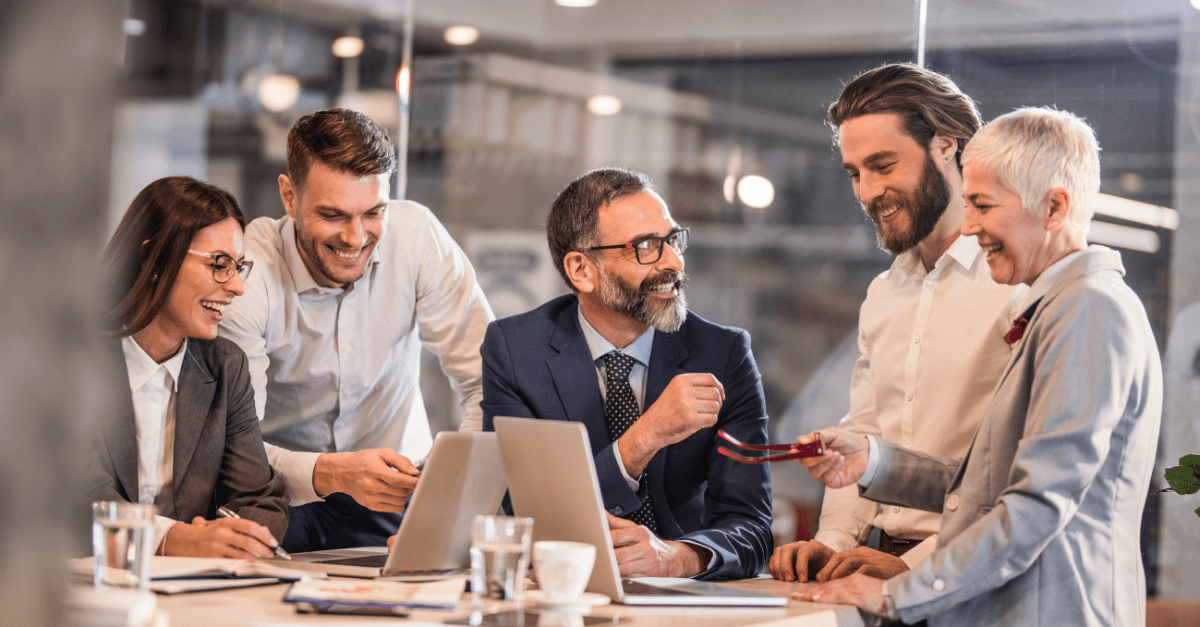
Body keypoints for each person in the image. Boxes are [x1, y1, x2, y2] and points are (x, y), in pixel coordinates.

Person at [791, 108, 1162, 626]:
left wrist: (895, 592)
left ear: (1054, 208)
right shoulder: (1057, 306)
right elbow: (987, 487)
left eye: (983, 206)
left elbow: (1036, 504)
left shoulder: (1091, 311)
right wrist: (875, 463)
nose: (969, 227)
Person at [770, 63, 1023, 583]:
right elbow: (864, 432)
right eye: (855, 172)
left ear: (946, 145)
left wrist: (911, 565)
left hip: (968, 572)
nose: (865, 192)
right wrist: (831, 541)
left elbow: (1023, 478)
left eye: (883, 165)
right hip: (869, 564)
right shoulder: (884, 293)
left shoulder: (1015, 286)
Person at [218, 109, 494, 552]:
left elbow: (487, 382)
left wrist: (449, 495)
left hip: (403, 499)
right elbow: (232, 446)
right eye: (332, 215)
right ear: (289, 197)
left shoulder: (418, 236)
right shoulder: (247, 276)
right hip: (282, 498)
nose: (355, 237)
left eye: (373, 213)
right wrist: (331, 473)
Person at [481, 168, 772, 580]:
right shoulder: (514, 351)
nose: (674, 262)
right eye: (647, 247)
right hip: (567, 590)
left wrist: (677, 557)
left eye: (672, 240)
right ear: (582, 270)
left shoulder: (723, 354)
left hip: (688, 603)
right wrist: (643, 438)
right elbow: (526, 515)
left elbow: (753, 528)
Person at [88, 176, 288, 558]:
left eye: (238, 267)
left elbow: (262, 499)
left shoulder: (226, 367)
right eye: (219, 264)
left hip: (189, 591)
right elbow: (74, 499)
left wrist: (234, 537)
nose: (237, 287)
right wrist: (176, 540)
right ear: (154, 258)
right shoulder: (70, 362)